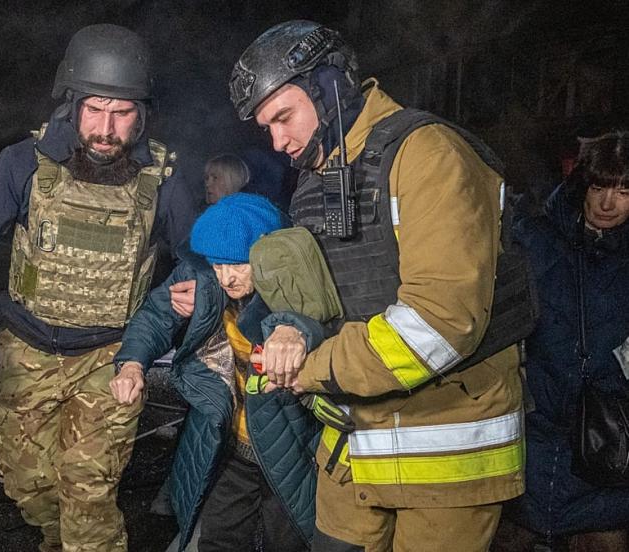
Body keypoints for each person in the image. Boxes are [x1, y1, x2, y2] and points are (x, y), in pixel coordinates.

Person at [169, 20, 530, 551]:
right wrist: (277, 323)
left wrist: (313, 368)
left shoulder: (428, 156)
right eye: (266, 128)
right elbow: (318, 297)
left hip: (441, 456)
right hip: (351, 448)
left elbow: (440, 324)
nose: (278, 141)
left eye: (284, 117)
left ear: (331, 86)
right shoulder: (321, 174)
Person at [0, 24, 194, 552]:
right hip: (27, 353)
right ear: (72, 104)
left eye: (123, 113)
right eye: (95, 109)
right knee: (31, 486)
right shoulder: (23, 163)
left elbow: (198, 256)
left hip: (113, 355)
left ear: (143, 114)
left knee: (87, 495)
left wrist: (194, 286)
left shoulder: (164, 177)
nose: (107, 128)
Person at [110, 193, 324, 552]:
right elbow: (155, 316)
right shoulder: (205, 276)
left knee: (290, 542)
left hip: (291, 447)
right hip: (229, 447)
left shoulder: (303, 278)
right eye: (217, 265)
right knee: (219, 539)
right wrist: (132, 364)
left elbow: (320, 322)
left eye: (237, 265)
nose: (226, 278)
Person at [497, 131, 629, 551]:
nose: (608, 203)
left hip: (607, 444)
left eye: (624, 190)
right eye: (599, 187)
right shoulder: (533, 238)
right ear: (581, 185)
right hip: (530, 431)